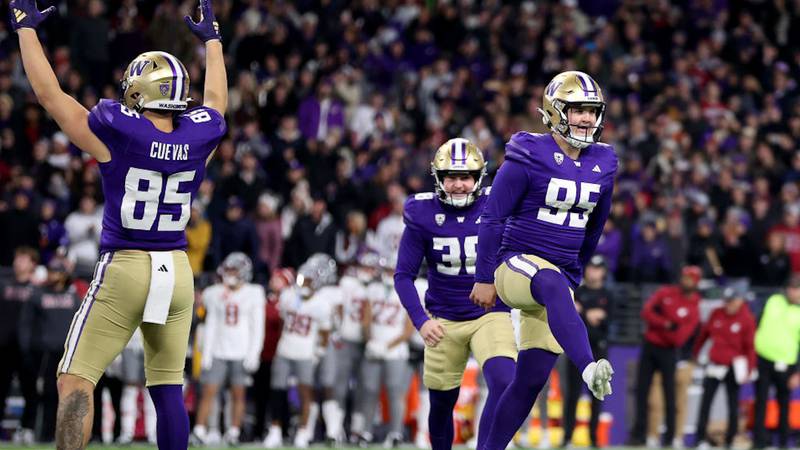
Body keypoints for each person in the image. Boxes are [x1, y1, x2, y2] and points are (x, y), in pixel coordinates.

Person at [11, 0, 227, 447]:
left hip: (126, 265)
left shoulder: (119, 135)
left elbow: (51, 96)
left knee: (75, 380)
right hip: (178, 270)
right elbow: (217, 103)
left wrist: (26, 29)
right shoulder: (199, 136)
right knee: (168, 388)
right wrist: (213, 42)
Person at [470, 71, 616, 450]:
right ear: (554, 111)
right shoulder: (527, 154)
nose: (586, 118)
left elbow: (595, 225)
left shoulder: (604, 161)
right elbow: (492, 217)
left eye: (591, 111)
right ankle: (587, 366)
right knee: (551, 283)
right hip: (514, 266)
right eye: (577, 109)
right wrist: (484, 277)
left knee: (531, 379)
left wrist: (576, 269)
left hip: (554, 280)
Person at [394, 138, 517, 450]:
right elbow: (403, 276)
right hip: (443, 320)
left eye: (466, 177)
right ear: (438, 178)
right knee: (440, 405)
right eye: (451, 177)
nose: (459, 185)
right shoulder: (421, 213)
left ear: (479, 179)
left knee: (504, 383)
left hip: (491, 314)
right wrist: (421, 321)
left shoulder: (497, 203)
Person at [192, 253, 265, 446]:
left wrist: (253, 353)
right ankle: (200, 429)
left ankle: (234, 431)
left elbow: (257, 326)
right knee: (208, 391)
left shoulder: (254, 292)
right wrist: (206, 353)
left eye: (234, 270)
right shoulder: (215, 293)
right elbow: (211, 324)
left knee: (238, 394)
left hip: (241, 351)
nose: (230, 274)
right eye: (229, 269)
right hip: (218, 350)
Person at [628, 265, 701, 447]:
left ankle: (669, 437)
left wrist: (659, 326)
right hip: (650, 346)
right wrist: (667, 324)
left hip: (669, 352)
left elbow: (679, 338)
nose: (685, 281)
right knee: (642, 391)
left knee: (670, 395)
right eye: (684, 277)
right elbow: (646, 312)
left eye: (690, 279)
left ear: (696, 282)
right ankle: (640, 435)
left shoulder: (693, 308)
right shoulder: (666, 292)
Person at [692, 284, 756, 449]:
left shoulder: (746, 318)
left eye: (732, 301)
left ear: (740, 301)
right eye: (726, 301)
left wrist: (749, 369)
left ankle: (729, 440)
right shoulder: (717, 314)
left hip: (733, 367)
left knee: (732, 405)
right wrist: (696, 354)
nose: (728, 304)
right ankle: (700, 439)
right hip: (715, 365)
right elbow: (703, 335)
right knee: (706, 402)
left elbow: (750, 347)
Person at [561, 255, 613, 448]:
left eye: (598, 268)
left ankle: (594, 438)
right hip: (576, 349)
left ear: (604, 272)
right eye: (591, 267)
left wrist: (583, 311)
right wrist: (587, 314)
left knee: (597, 395)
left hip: (598, 350)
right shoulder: (578, 291)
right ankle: (567, 437)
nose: (594, 271)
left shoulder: (608, 294)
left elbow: (609, 322)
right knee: (572, 394)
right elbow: (570, 319)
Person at [752, 275, 800, 449]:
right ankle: (758, 442)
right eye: (791, 287)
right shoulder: (773, 300)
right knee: (761, 401)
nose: (793, 291)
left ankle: (783, 443)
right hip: (763, 359)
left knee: (784, 403)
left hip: (787, 363)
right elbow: (756, 324)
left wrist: (798, 372)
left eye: (797, 288)